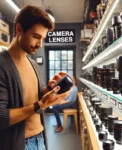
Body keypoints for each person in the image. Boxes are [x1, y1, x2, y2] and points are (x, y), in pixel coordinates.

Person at [0, 5, 70, 150]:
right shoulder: (2, 65)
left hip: (41, 140)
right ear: (19, 29)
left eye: (42, 39)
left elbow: (36, 99)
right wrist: (40, 105)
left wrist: (49, 90)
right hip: (19, 145)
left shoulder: (33, 64)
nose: (39, 44)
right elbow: (1, 117)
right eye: (36, 37)